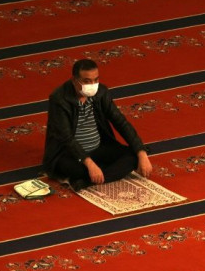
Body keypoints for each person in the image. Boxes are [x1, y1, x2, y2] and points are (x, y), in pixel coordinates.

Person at [42, 58, 153, 191]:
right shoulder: (59, 99)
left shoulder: (101, 93)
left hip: (98, 147)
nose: (93, 84)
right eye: (87, 81)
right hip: (69, 154)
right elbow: (66, 138)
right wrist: (89, 164)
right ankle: (96, 173)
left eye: (96, 80)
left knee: (136, 155)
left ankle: (86, 182)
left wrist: (141, 153)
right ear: (74, 81)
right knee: (79, 171)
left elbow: (120, 122)